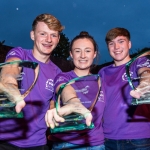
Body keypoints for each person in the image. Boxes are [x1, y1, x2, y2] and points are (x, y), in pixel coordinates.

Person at [0, 13, 64, 149]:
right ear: (32, 35)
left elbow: (52, 102)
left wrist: (54, 111)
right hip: (5, 141)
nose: (48, 39)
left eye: (53, 35)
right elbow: (10, 68)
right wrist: (11, 86)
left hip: (38, 144)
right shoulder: (20, 53)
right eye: (43, 34)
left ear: (58, 39)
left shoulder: (58, 73)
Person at [45, 31, 105, 150]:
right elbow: (64, 88)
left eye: (87, 51)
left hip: (97, 144)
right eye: (77, 51)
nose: (83, 55)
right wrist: (74, 102)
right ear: (71, 54)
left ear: (94, 54)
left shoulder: (102, 81)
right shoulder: (63, 77)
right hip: (66, 145)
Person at [99, 27, 150, 150]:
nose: (116, 47)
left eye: (121, 41)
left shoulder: (138, 62)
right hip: (108, 139)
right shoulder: (103, 72)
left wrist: (145, 85)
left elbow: (145, 73)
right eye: (111, 43)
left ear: (129, 44)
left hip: (138, 140)